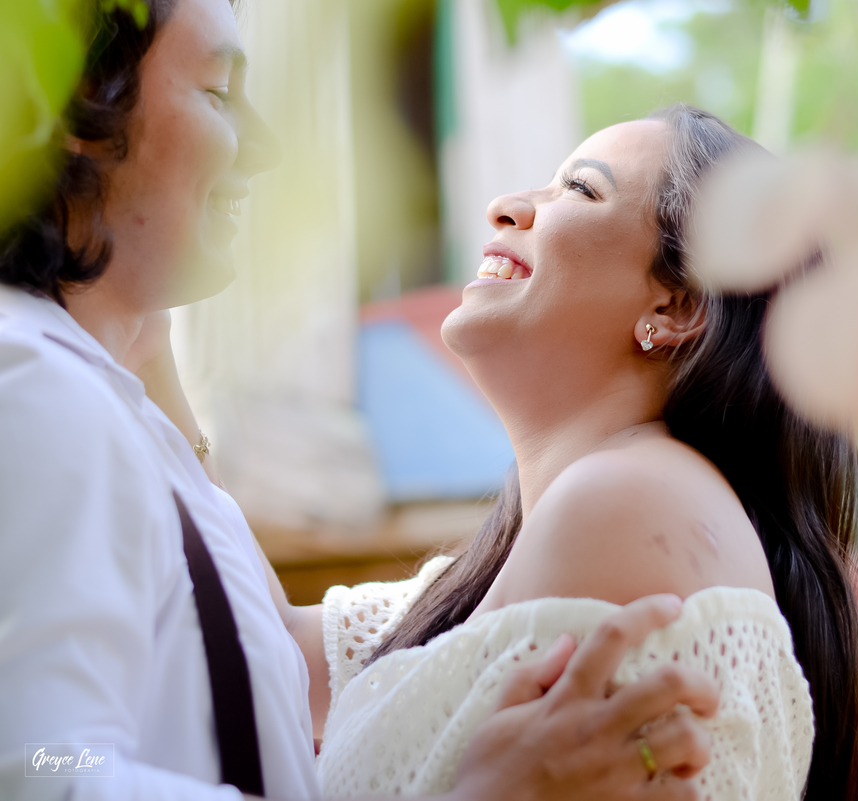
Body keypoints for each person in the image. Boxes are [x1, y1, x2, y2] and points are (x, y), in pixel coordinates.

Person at [0, 2, 720, 800]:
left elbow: (260, 640)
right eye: (218, 91)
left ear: (679, 306)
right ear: (72, 101)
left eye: (578, 189)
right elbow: (35, 769)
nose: (265, 146)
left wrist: (131, 326)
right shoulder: (36, 382)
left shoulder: (82, 396)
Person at [294, 106, 858, 800]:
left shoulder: (628, 505)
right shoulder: (544, 542)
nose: (507, 207)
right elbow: (240, 637)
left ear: (675, 307)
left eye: (579, 188)